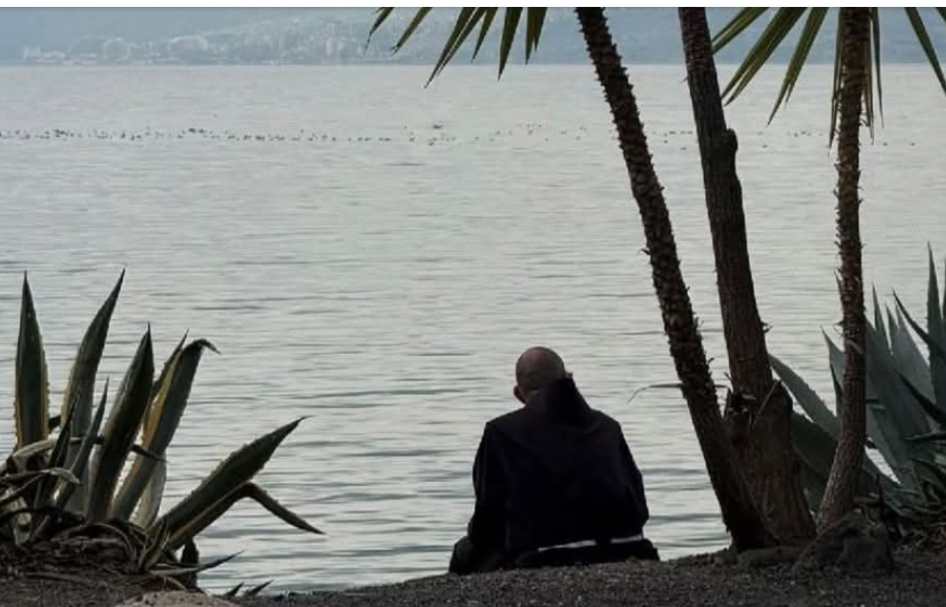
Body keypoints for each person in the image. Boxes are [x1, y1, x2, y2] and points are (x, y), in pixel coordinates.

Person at [448, 346, 658, 575]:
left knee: (465, 550)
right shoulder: (608, 426)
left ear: (518, 394)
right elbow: (640, 508)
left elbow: (487, 520)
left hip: (547, 555)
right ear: (569, 378)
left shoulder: (502, 432)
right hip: (628, 547)